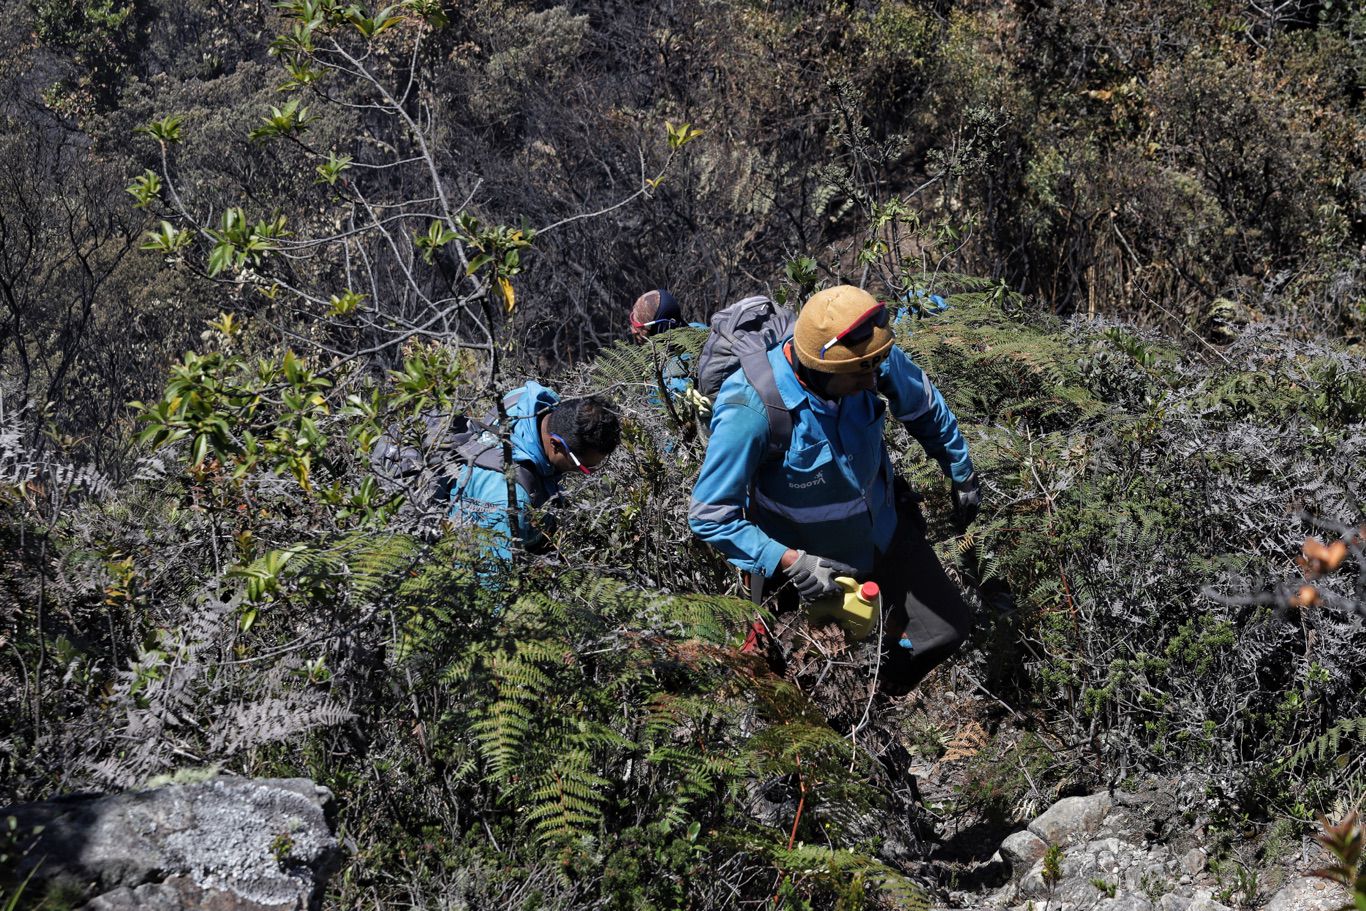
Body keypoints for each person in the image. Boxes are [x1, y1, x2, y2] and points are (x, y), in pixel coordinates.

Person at [687, 285, 981, 694]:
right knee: (806, 686)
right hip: (807, 572)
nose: (872, 379)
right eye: (859, 375)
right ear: (820, 369)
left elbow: (923, 405)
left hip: (883, 533)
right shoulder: (751, 408)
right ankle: (850, 704)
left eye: (874, 368)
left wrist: (960, 470)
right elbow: (709, 514)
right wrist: (789, 561)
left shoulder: (866, 358)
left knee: (946, 631)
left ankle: (878, 691)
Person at [449, 381, 620, 560]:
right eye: (584, 467)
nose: (588, 473)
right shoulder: (510, 503)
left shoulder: (522, 403)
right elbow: (488, 574)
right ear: (556, 445)